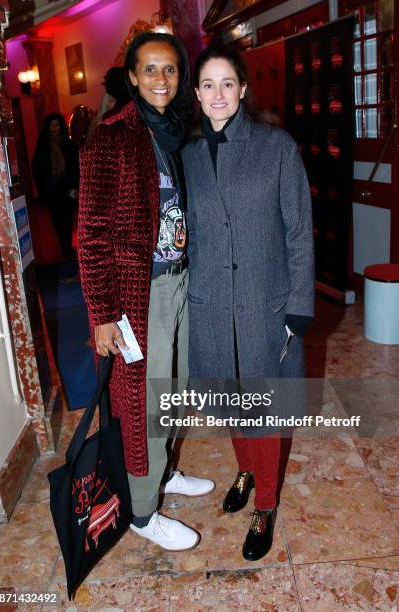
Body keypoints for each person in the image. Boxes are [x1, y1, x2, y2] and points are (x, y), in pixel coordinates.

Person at [77, 32, 214, 553]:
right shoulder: (111, 138)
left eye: (170, 70)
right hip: (139, 297)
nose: (161, 79)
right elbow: (90, 234)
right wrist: (104, 314)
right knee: (143, 404)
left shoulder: (179, 134)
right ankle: (141, 509)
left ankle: (163, 471)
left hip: (180, 280)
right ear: (132, 78)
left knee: (174, 390)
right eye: (150, 70)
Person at [182, 44, 315, 561]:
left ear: (242, 89)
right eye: (208, 85)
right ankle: (245, 469)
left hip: (266, 303)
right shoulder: (188, 156)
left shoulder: (277, 148)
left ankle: (266, 503)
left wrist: (299, 305)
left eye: (227, 83)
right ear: (196, 94)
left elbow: (300, 231)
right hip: (212, 304)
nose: (218, 94)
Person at [32, 113, 79, 257]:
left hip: (68, 189)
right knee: (57, 221)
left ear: (61, 126)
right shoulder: (43, 145)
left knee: (68, 220)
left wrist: (75, 186)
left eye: (57, 124)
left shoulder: (69, 144)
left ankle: (67, 247)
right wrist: (43, 187)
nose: (54, 128)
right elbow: (37, 167)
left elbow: (76, 166)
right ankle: (65, 247)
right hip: (52, 190)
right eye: (51, 125)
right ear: (47, 127)